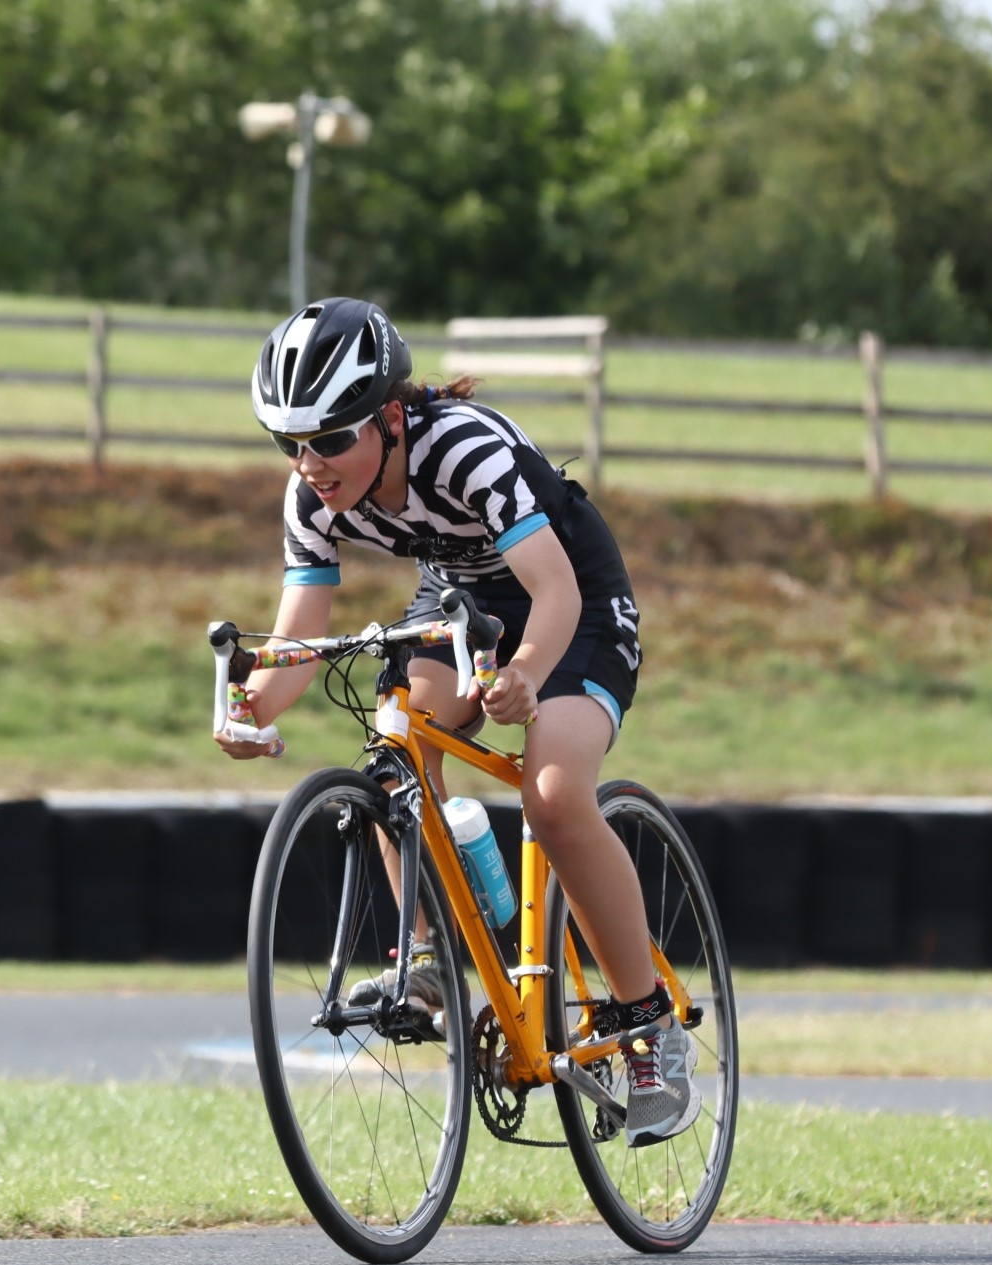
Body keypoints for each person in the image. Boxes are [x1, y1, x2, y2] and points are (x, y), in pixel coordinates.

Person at [216, 298, 697, 1143]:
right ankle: (432, 959)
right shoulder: (314, 497)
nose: (310, 463)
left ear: (391, 418)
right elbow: (298, 637)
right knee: (396, 748)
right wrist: (249, 707)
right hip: (462, 599)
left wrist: (524, 677)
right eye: (289, 443)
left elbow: (554, 591)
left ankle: (648, 1021)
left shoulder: (466, 451)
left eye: (331, 439)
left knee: (552, 794)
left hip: (570, 596)